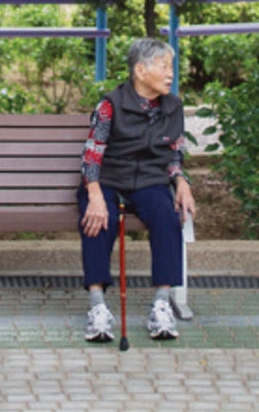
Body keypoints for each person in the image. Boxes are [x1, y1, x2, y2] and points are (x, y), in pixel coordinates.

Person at [78, 36, 195, 343]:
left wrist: (181, 182)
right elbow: (92, 155)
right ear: (141, 71)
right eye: (164, 67)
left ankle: (161, 303)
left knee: (167, 217)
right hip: (106, 180)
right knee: (95, 221)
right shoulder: (110, 105)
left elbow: (173, 154)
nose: (171, 73)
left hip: (148, 182)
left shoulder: (173, 106)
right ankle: (98, 308)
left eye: (171, 66)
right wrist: (93, 195)